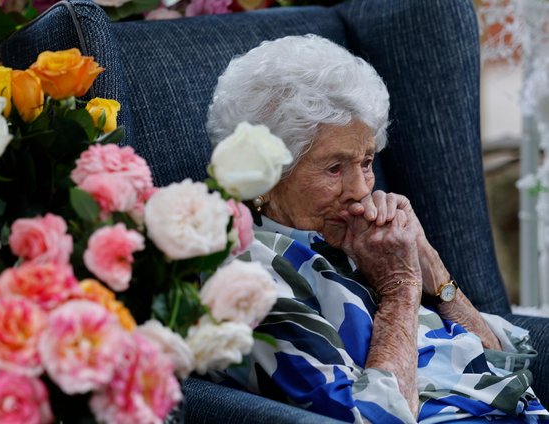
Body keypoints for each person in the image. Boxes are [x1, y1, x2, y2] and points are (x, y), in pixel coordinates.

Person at [206, 34, 548, 423]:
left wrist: (430, 268)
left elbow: (504, 366)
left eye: (367, 162)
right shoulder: (252, 277)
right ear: (265, 177)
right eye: (334, 168)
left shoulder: (367, 243)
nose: (360, 189)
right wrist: (400, 291)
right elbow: (372, 417)